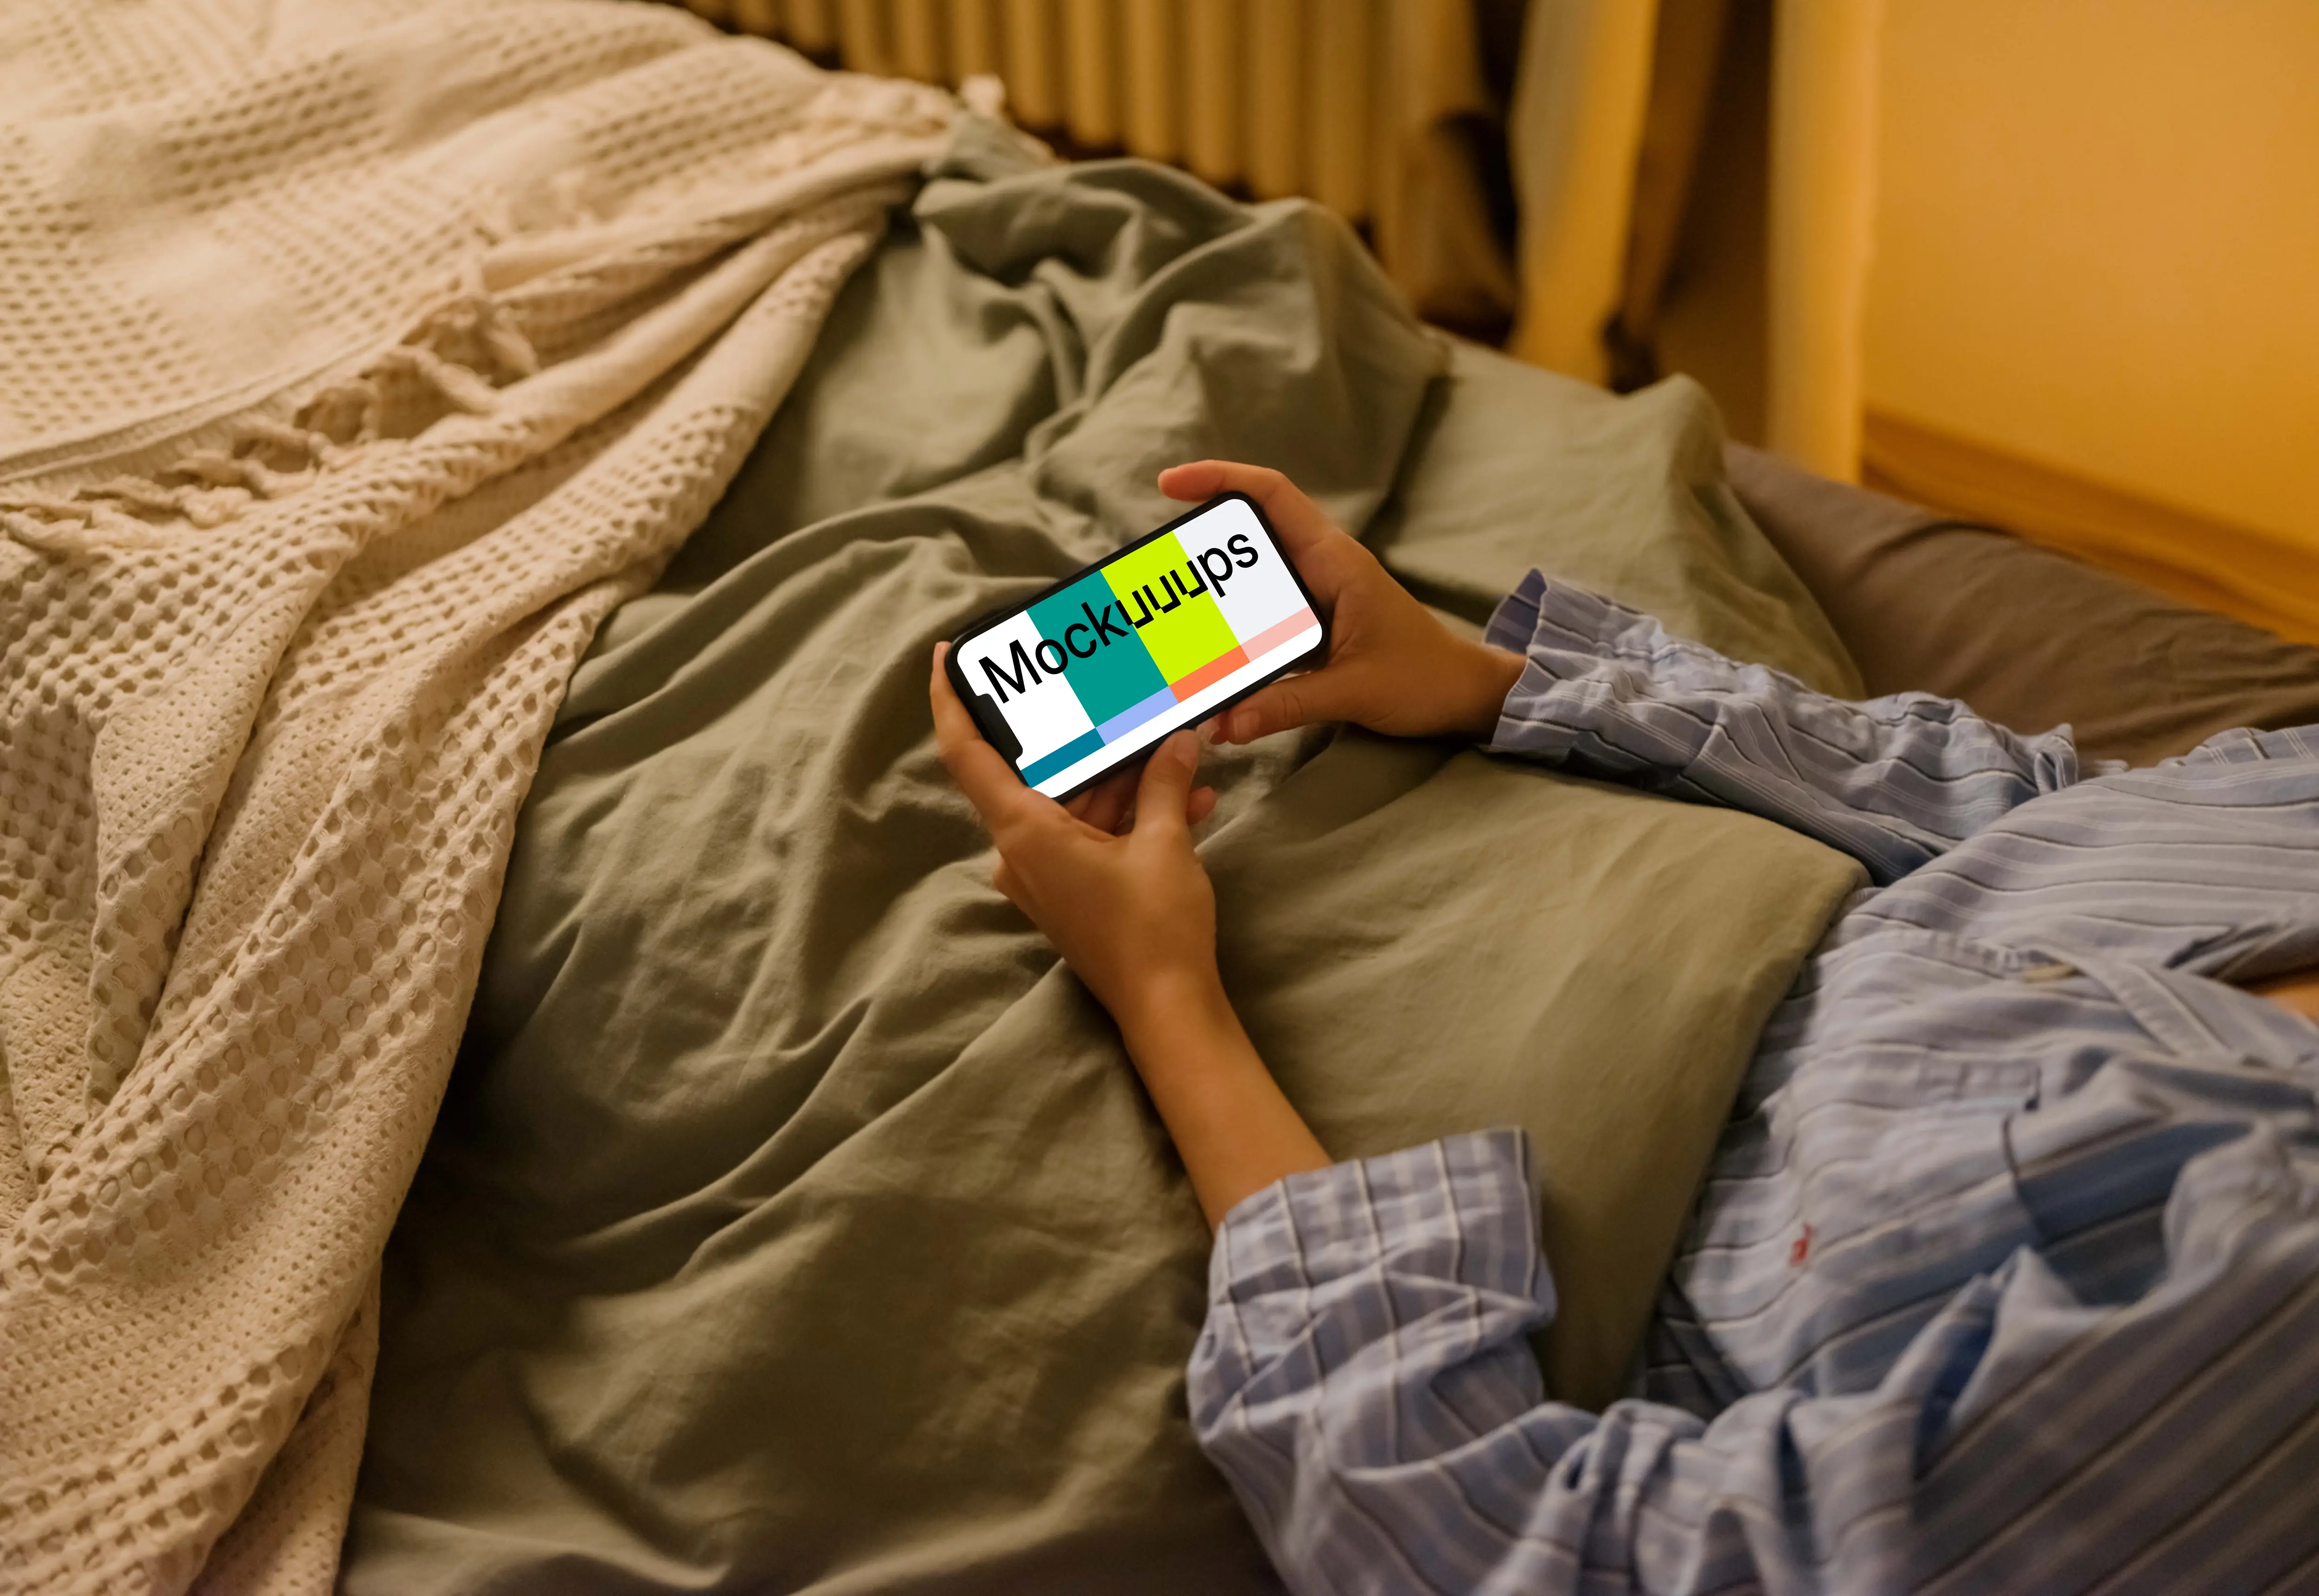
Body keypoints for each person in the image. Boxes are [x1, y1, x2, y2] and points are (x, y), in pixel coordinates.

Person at [929, 460, 2319, 1596]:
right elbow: (2031, 807)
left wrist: (1164, 994)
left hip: (1476, 1149)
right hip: (1583, 843)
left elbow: (1510, 1547)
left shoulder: (2260, 1292)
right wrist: (1483, 679)